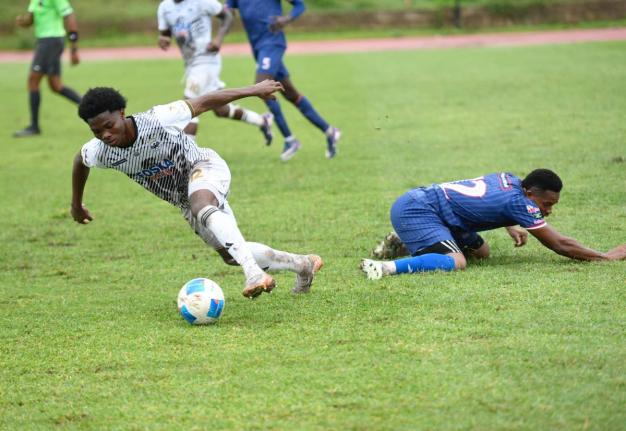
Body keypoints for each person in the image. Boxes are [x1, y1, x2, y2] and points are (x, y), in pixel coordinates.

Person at [71, 80, 323, 298]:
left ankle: (254, 274)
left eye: (109, 125)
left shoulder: (158, 118)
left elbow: (204, 101)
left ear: (122, 113)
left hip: (204, 166)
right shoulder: (100, 151)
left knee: (201, 204)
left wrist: (254, 90)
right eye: (96, 131)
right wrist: (76, 205)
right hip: (184, 200)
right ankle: (301, 264)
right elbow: (80, 162)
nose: (104, 134)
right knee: (230, 254)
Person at [361, 169, 626, 279]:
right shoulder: (521, 204)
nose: (548, 211)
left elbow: (489, 197)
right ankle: (385, 268)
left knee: (482, 252)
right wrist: (604, 257)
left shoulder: (510, 180)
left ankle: (403, 241)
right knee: (457, 262)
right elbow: (559, 244)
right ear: (531, 193)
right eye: (547, 204)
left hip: (433, 208)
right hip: (418, 210)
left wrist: (510, 223)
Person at [226, 0, 341, 161]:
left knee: (260, 87)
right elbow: (228, 12)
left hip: (273, 43)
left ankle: (290, 140)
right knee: (291, 95)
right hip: (258, 48)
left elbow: (300, 5)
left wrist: (286, 19)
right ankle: (330, 131)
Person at [157, 0, 273, 145]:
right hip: (191, 63)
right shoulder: (164, 7)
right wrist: (164, 39)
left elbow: (228, 16)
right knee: (221, 109)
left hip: (207, 60)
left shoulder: (202, 2)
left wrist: (218, 39)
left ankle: (188, 158)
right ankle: (262, 120)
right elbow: (165, 33)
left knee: (188, 107)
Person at [14, 0, 82, 138]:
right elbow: (30, 19)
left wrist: (74, 48)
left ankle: (34, 127)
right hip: (44, 41)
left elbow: (69, 16)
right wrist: (23, 21)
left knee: (33, 81)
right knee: (56, 86)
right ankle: (93, 108)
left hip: (50, 41)